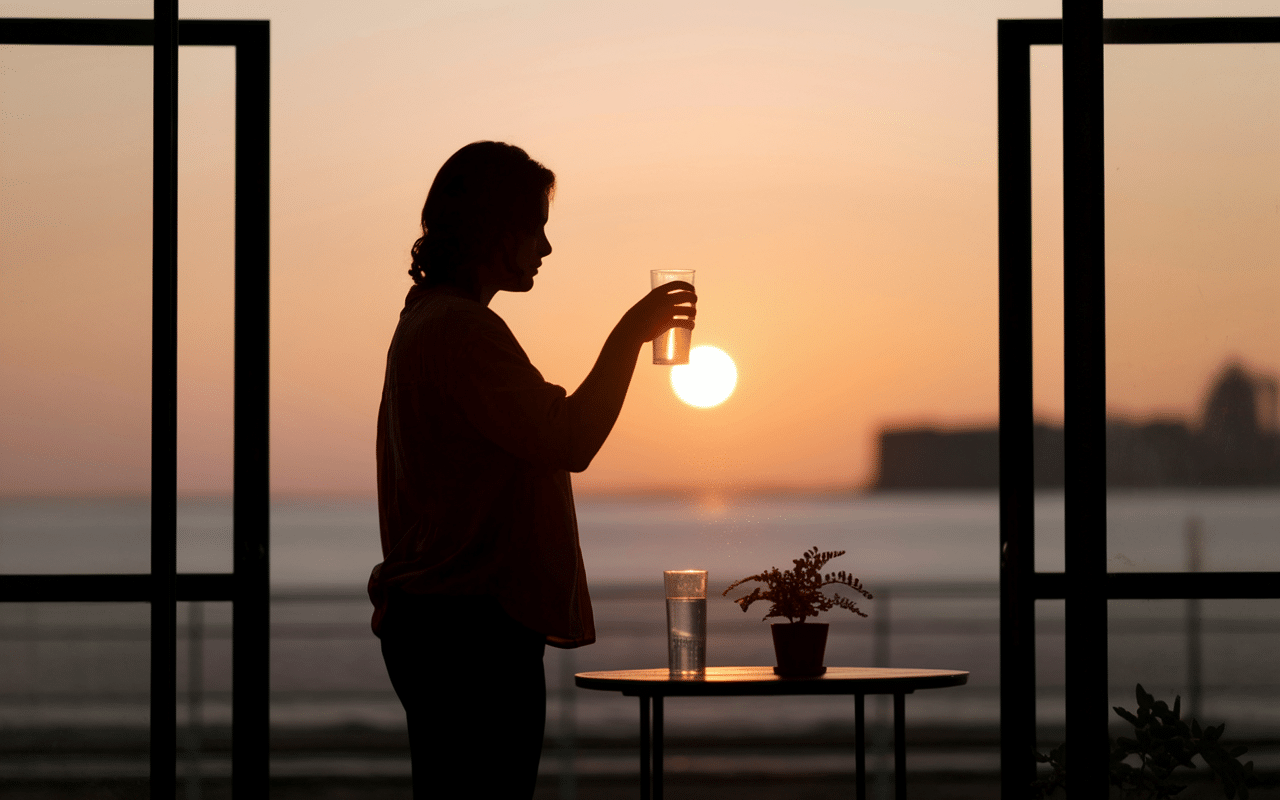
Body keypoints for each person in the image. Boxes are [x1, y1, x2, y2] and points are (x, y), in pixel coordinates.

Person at [369, 141, 696, 798]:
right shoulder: (461, 331)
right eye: (536, 228)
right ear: (496, 230)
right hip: (470, 631)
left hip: (440, 622)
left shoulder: (429, 322)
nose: (545, 249)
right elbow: (569, 438)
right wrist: (630, 333)